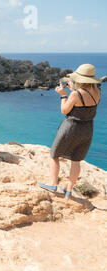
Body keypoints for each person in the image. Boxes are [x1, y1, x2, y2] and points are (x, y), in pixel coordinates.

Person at [38, 64, 101, 197]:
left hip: (71, 128)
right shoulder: (97, 92)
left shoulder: (75, 94)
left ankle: (54, 185)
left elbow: (64, 110)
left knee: (54, 155)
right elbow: (84, 99)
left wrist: (63, 95)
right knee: (76, 160)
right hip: (87, 129)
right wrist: (73, 90)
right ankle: (69, 190)